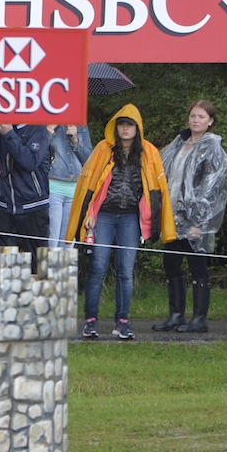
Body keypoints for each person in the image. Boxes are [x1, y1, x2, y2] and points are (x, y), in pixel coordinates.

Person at [65, 103, 176, 341]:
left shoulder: (149, 152)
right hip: (103, 215)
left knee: (126, 270)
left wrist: (154, 222)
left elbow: (158, 190)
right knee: (98, 267)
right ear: (116, 127)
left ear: (138, 128)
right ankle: (90, 321)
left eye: (130, 125)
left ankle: (122, 322)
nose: (125, 129)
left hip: (130, 218)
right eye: (122, 124)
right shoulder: (103, 149)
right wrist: (90, 213)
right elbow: (89, 184)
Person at [157, 101, 227, 334]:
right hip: (173, 216)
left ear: (210, 121)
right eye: (193, 116)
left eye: (201, 116)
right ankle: (176, 315)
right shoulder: (179, 144)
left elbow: (211, 187)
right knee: (171, 263)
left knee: (197, 265)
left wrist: (198, 221)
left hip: (196, 218)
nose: (196, 120)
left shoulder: (212, 147)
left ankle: (199, 318)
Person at [0, 121, 51, 268]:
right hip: (4, 204)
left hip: (33, 204)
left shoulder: (38, 129)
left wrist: (9, 134)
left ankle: (35, 291)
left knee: (37, 264)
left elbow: (30, 162)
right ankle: (3, 290)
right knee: (2, 263)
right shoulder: (0, 130)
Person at [45, 122, 93, 251]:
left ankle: (63, 271)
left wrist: (75, 139)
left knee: (69, 238)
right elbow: (38, 152)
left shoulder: (81, 125)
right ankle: (48, 271)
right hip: (53, 186)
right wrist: (49, 129)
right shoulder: (48, 120)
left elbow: (89, 160)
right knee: (51, 238)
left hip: (75, 188)